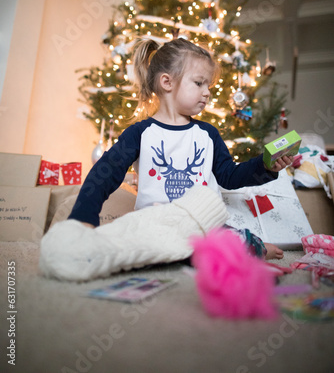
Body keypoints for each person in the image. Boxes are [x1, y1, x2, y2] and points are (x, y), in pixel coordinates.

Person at [68, 38, 293, 259]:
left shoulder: (208, 134)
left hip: (203, 226)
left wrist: (265, 165)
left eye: (208, 86)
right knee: (121, 244)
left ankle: (247, 247)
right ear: (167, 82)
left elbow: (230, 176)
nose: (207, 92)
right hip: (155, 224)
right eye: (198, 83)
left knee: (238, 241)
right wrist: (83, 218)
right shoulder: (141, 133)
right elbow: (102, 175)